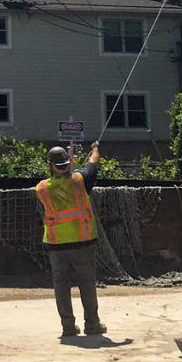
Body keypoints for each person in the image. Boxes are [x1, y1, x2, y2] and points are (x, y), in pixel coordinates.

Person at [35, 142, 106, 338]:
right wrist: (95, 148)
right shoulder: (81, 181)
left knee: (61, 285)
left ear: (50, 165)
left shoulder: (41, 189)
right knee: (87, 284)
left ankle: (67, 327)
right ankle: (92, 325)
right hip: (83, 242)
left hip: (56, 245)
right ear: (69, 162)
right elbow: (94, 162)